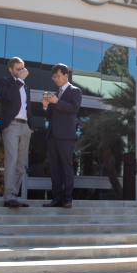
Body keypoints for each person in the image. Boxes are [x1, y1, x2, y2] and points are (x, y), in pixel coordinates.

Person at [42, 63, 82, 209]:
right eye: (54, 77)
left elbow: (74, 108)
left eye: (58, 76)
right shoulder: (55, 94)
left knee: (67, 167)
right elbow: (49, 115)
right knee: (54, 167)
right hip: (52, 135)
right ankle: (56, 199)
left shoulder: (75, 91)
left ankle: (67, 199)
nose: (56, 79)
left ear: (66, 75)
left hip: (66, 136)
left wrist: (57, 102)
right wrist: (46, 105)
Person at [0, 57, 33, 208]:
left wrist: (30, 126)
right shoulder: (5, 81)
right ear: (10, 69)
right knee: (11, 160)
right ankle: (9, 197)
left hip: (25, 126)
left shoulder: (25, 86)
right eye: (18, 69)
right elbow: (8, 96)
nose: (21, 71)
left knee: (20, 163)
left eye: (23, 68)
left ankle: (14, 197)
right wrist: (19, 81)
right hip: (11, 125)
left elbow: (27, 107)